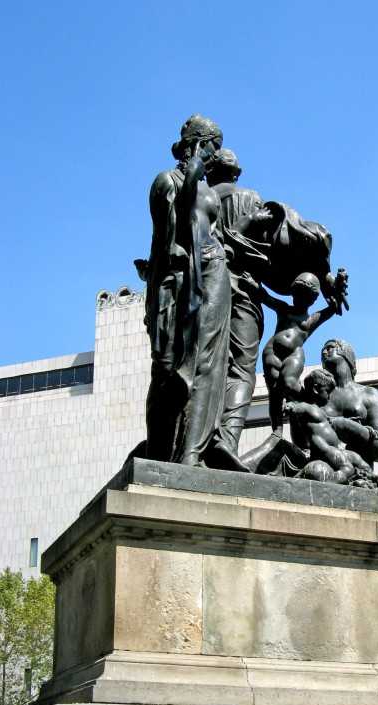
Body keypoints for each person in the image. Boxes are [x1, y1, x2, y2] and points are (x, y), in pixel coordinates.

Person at [143, 114, 231, 466]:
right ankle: (158, 452)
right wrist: (193, 172)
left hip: (215, 274)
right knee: (169, 369)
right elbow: (169, 241)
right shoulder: (168, 181)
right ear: (196, 144)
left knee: (208, 362)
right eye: (211, 147)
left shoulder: (211, 192)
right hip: (181, 281)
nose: (215, 156)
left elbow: (224, 237)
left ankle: (191, 452)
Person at [205, 149, 271, 470]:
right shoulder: (251, 198)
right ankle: (226, 441)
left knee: (209, 365)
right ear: (236, 173)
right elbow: (271, 250)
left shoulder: (198, 198)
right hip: (244, 290)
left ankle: (200, 440)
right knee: (242, 368)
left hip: (206, 292)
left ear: (209, 173)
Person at [241, 271, 336, 435]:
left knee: (289, 383)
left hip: (294, 354)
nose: (298, 298)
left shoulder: (311, 319)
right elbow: (267, 298)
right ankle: (277, 430)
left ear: (312, 300)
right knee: (275, 394)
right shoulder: (284, 309)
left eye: (304, 296)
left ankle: (309, 399)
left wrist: (336, 291)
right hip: (273, 353)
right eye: (296, 294)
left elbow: (332, 310)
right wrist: (252, 283)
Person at [284, 369, 369, 483]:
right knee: (348, 468)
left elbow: (327, 422)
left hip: (333, 449)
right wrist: (291, 407)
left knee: (358, 459)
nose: (329, 397)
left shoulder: (319, 411)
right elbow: (298, 407)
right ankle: (329, 485)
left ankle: (369, 476)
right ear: (315, 389)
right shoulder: (308, 407)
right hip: (324, 449)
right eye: (328, 392)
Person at [319, 339, 378, 468]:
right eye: (322, 351)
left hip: (358, 469)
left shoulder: (369, 394)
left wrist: (349, 426)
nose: (324, 352)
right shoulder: (316, 395)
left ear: (345, 353)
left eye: (330, 348)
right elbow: (303, 442)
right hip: (322, 465)